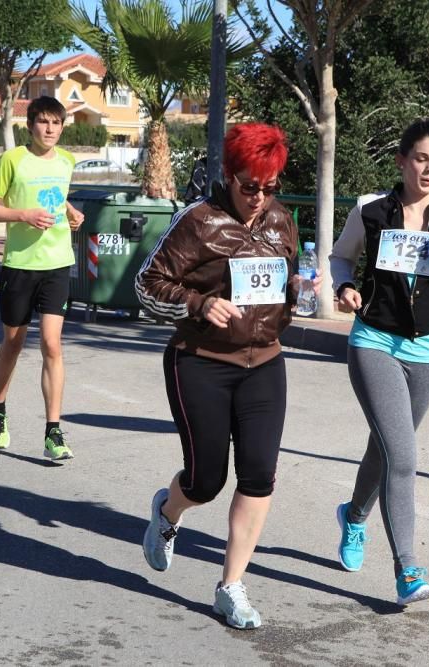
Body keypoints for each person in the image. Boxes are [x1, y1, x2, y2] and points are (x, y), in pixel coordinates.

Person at [135, 123, 319, 630]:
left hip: (264, 362)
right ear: (229, 175)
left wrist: (299, 287)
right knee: (206, 480)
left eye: (270, 186)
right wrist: (198, 303)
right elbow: (145, 285)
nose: (260, 197)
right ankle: (168, 512)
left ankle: (230, 586)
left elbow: (282, 284)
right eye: (250, 185)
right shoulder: (197, 221)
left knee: (259, 475)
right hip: (199, 362)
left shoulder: (281, 220)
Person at [328, 117, 429, 605]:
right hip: (374, 341)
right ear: (401, 160)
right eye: (421, 158)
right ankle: (408, 568)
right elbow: (339, 258)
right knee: (404, 453)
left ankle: (354, 516)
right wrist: (345, 287)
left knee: (388, 447)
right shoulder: (370, 210)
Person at [0, 96, 84, 460]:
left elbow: (57, 195)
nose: (50, 129)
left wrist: (71, 211)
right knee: (13, 343)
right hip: (20, 265)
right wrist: (22, 214)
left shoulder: (68, 161)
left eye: (56, 123)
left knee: (52, 344)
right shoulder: (13, 160)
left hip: (57, 263)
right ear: (31, 125)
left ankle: (53, 430)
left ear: (63, 126)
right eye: (43, 122)